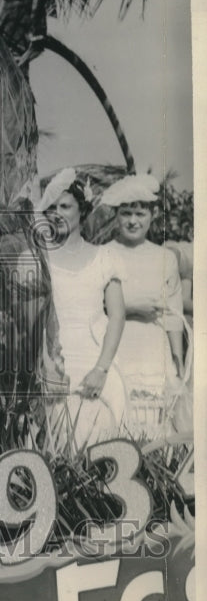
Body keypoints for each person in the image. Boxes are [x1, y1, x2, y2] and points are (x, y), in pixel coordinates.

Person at [35, 168, 127, 453]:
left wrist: (101, 369)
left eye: (65, 206)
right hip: (54, 358)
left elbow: (117, 316)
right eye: (51, 207)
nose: (56, 213)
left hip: (94, 356)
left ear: (82, 210)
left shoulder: (104, 257)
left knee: (97, 441)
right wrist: (44, 362)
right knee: (55, 442)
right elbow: (33, 317)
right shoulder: (39, 257)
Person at [101, 174, 186, 439]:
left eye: (139, 213)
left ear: (152, 215)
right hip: (116, 345)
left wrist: (178, 360)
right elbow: (94, 306)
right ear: (116, 217)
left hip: (152, 345)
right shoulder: (104, 254)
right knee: (117, 419)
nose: (133, 221)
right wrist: (132, 307)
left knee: (155, 419)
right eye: (126, 213)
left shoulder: (165, 258)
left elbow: (173, 313)